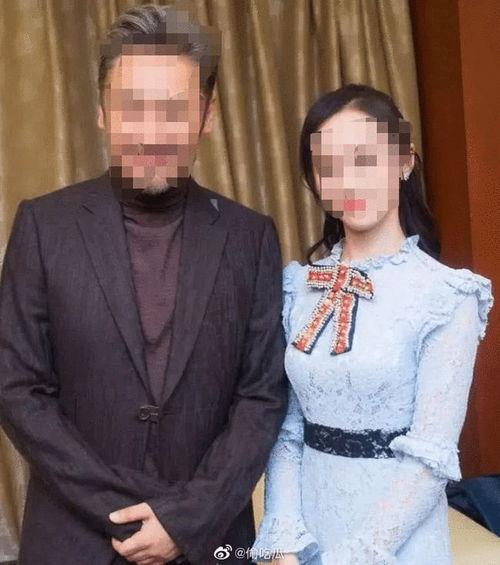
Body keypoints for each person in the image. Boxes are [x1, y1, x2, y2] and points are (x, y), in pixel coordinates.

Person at [0, 4, 287, 564]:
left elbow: (262, 396)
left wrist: (187, 518)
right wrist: (125, 511)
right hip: (73, 539)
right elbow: (17, 389)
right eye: (133, 106)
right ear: (102, 111)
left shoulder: (250, 238)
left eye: (174, 109)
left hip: (209, 540)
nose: (152, 132)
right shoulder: (44, 225)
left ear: (207, 115)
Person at [250, 84, 494, 564]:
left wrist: (352, 557)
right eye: (328, 167)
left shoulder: (447, 296)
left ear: (403, 161)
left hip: (395, 545)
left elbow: (430, 457)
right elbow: (288, 429)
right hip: (306, 536)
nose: (348, 181)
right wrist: (282, 541)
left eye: (364, 159)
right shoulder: (297, 287)